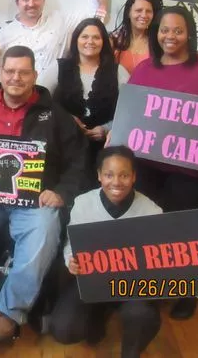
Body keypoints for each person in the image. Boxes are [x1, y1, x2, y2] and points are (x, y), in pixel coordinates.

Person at [0, 45, 86, 341]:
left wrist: (61, 192)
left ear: (35, 75)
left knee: (46, 226)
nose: (16, 78)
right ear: (0, 73)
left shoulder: (55, 115)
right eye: (10, 71)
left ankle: (10, 311)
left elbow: (78, 160)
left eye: (24, 72)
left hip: (32, 202)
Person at [128, 6, 198, 319]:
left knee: (185, 224)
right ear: (156, 33)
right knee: (144, 218)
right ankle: (155, 284)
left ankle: (189, 289)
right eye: (164, 30)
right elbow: (131, 115)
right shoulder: (144, 69)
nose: (170, 36)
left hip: (197, 170)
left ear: (190, 33)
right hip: (148, 164)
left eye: (178, 30)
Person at [50, 146, 162, 358]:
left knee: (141, 315)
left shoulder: (152, 211)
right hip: (93, 281)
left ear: (134, 177)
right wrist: (70, 260)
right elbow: (71, 243)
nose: (116, 182)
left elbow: (168, 258)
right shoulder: (83, 203)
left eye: (124, 175)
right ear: (99, 176)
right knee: (64, 330)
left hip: (133, 285)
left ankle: (131, 351)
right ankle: (100, 313)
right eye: (109, 175)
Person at [0, 0, 109, 93]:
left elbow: (93, 17)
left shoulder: (60, 21)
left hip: (56, 99)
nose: (31, 3)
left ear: (43, 0)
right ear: (18, 3)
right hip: (19, 102)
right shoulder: (3, 35)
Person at [53, 18, 129, 189]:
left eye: (96, 37)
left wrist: (108, 128)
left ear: (104, 42)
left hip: (105, 150)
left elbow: (131, 109)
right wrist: (66, 119)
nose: (90, 42)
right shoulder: (59, 67)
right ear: (76, 40)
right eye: (84, 36)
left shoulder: (118, 71)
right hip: (66, 147)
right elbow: (39, 98)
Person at [111, 0, 163, 74]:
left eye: (148, 11)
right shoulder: (115, 40)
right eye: (139, 10)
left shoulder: (158, 43)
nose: (144, 15)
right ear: (129, 12)